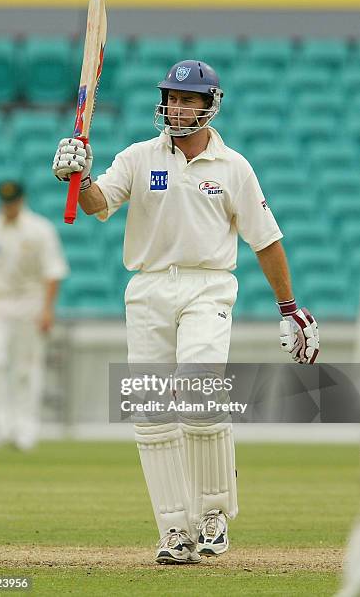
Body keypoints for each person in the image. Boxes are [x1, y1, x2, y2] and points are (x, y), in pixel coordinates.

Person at [53, 60, 319, 564]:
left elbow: (266, 241)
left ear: (210, 105)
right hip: (148, 287)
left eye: (187, 99)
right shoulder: (138, 156)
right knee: (152, 414)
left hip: (208, 286)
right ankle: (175, 531)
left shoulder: (233, 167)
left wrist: (290, 308)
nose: (175, 107)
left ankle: (214, 513)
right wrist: (78, 174)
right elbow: (96, 204)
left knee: (198, 392)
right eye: (171, 97)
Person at [0, 181, 69, 450]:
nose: (9, 207)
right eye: (5, 203)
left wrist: (47, 310)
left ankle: (24, 429)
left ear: (22, 200)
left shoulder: (39, 229)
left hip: (30, 303)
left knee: (26, 369)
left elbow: (52, 272)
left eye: (13, 202)